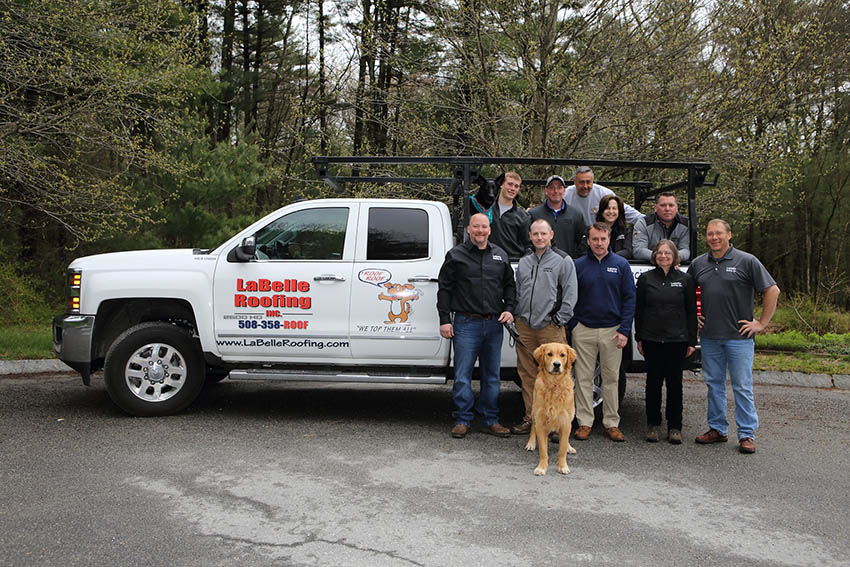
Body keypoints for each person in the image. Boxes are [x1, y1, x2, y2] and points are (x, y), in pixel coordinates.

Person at [689, 219, 780, 454]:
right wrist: (693, 316)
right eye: (710, 234)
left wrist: (761, 323)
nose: (714, 238)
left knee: (742, 386)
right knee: (714, 384)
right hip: (710, 337)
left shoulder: (747, 261)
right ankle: (717, 429)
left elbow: (772, 289)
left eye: (719, 233)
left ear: (729, 235)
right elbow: (685, 292)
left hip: (739, 337)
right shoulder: (699, 263)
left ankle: (747, 434)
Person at [437, 213, 517, 439]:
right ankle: (462, 419)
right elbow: (444, 289)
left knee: (492, 375)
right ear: (469, 230)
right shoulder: (455, 255)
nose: (480, 231)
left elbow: (510, 286)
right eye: (476, 227)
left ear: (489, 230)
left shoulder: (500, 255)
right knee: (462, 374)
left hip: (494, 324)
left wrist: (509, 309)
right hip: (465, 323)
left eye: (484, 227)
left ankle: (490, 419)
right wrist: (445, 319)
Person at [510, 218, 578, 435]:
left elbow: (570, 293)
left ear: (551, 235)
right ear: (530, 236)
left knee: (558, 378)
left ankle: (558, 426)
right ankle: (532, 419)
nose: (539, 237)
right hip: (525, 328)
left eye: (543, 234)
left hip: (550, 327)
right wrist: (517, 317)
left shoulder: (563, 260)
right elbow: (518, 291)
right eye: (535, 234)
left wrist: (559, 318)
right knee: (529, 375)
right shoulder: (525, 262)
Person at [569, 222, 636, 442]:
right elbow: (569, 296)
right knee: (583, 378)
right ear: (588, 241)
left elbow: (629, 299)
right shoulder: (578, 265)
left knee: (611, 378)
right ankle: (584, 423)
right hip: (584, 330)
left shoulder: (621, 265)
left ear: (609, 240)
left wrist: (625, 329)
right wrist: (574, 325)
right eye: (595, 239)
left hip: (613, 330)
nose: (599, 243)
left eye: (603, 239)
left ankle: (611, 423)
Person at [635, 240, 697, 444]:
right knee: (652, 384)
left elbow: (691, 312)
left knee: (675, 385)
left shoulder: (685, 280)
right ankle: (653, 425)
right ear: (654, 256)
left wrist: (691, 339)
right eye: (659, 253)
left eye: (667, 253)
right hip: (652, 339)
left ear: (674, 256)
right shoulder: (645, 279)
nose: (663, 256)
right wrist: (639, 337)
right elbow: (639, 310)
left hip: (677, 340)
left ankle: (675, 427)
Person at [529, 175, 587, 258]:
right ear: (546, 190)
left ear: (564, 190)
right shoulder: (534, 214)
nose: (555, 191)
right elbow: (528, 241)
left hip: (568, 263)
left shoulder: (576, 215)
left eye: (559, 188)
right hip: (542, 263)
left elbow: (582, 243)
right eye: (552, 188)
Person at [564, 166, 643, 227]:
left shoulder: (603, 193)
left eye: (588, 182)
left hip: (599, 238)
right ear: (574, 182)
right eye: (581, 182)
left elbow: (624, 210)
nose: (585, 186)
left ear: (593, 181)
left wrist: (646, 221)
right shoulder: (566, 195)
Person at [632, 192, 691, 262]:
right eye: (663, 205)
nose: (667, 209)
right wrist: (661, 258)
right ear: (655, 208)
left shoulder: (685, 224)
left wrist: (671, 258)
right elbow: (638, 251)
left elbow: (686, 251)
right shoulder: (643, 223)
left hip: (676, 267)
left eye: (671, 205)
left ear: (676, 208)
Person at [489, 171, 531, 261]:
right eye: (510, 184)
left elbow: (528, 245)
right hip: (489, 261)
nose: (512, 188)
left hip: (513, 261)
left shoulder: (523, 216)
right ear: (501, 184)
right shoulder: (486, 210)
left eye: (516, 186)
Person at [596, 194, 632, 259]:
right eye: (607, 208)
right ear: (602, 211)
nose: (611, 211)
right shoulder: (593, 231)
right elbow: (584, 251)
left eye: (614, 208)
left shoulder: (626, 232)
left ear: (619, 212)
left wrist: (609, 257)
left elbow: (628, 252)